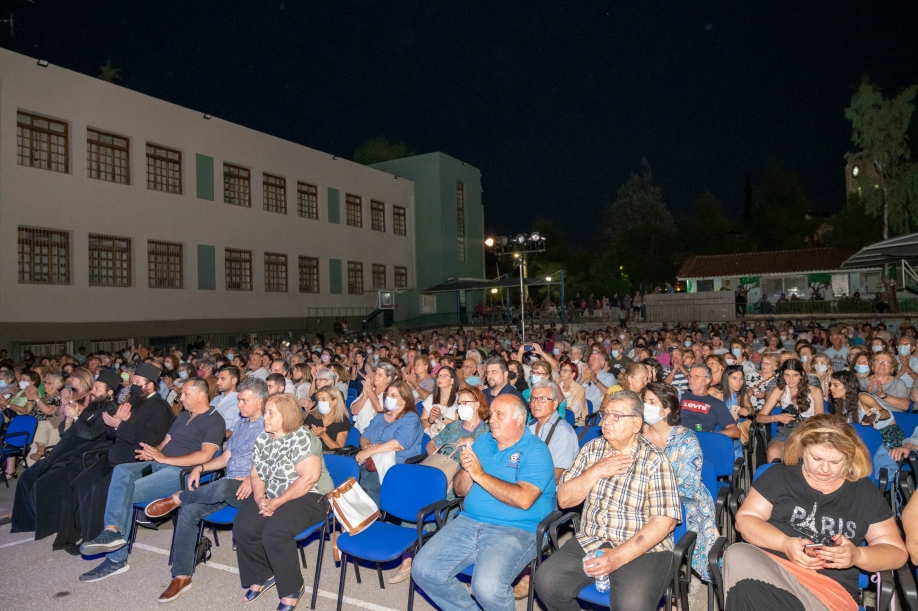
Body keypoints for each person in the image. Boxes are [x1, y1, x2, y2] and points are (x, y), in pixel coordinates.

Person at [724, 414, 907, 610]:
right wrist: (785, 544)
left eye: (835, 462)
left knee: (748, 593)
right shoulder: (779, 476)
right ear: (803, 449)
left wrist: (857, 556)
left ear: (849, 457)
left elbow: (896, 552)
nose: (825, 468)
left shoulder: (864, 493)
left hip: (826, 591)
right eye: (817, 458)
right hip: (774, 571)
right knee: (736, 554)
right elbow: (746, 519)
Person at [534, 390, 682, 611]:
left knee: (631, 605)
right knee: (546, 582)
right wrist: (595, 471)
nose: (607, 421)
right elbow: (564, 500)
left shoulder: (655, 459)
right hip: (592, 538)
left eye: (617, 416)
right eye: (606, 414)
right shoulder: (591, 450)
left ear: (636, 424)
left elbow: (664, 523)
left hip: (642, 547)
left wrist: (618, 557)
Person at [413, 395, 556, 611]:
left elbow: (524, 499)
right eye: (491, 414)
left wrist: (480, 474)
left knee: (487, 588)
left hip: (517, 529)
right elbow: (460, 490)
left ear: (519, 420)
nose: (491, 420)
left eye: (500, 415)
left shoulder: (536, 450)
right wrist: (467, 469)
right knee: (424, 569)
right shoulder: (482, 442)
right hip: (469, 521)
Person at [78, 377, 226, 582]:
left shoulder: (214, 420)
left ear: (201, 395)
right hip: (160, 464)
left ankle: (116, 559)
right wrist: (153, 453)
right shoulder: (183, 416)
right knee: (121, 470)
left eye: (185, 394)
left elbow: (204, 456)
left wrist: (165, 459)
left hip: (181, 472)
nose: (181, 398)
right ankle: (112, 532)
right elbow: (166, 441)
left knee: (127, 490)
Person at [143, 378, 267, 603]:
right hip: (229, 485)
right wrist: (200, 468)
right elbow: (226, 458)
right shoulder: (241, 425)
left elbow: (277, 462)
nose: (238, 405)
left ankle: (179, 497)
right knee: (189, 510)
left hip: (253, 489)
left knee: (220, 486)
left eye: (243, 401)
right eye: (238, 400)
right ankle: (182, 576)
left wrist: (254, 477)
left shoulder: (270, 425)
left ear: (260, 401)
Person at [52, 362, 174, 552]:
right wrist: (115, 424)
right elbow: (110, 433)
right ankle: (71, 535)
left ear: (150, 385)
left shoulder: (161, 408)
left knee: (98, 489)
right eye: (132, 382)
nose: (132, 386)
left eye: (137, 382)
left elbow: (150, 438)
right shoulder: (133, 402)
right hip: (114, 457)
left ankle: (95, 538)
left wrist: (121, 425)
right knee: (79, 482)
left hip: (135, 462)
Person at [233, 394, 333, 609]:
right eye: (265, 412)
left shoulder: (303, 438)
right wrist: (260, 498)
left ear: (286, 416)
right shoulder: (263, 438)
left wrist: (277, 502)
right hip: (274, 494)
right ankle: (263, 574)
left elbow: (309, 479)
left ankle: (292, 588)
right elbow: (256, 473)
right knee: (244, 526)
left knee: (275, 532)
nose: (265, 417)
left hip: (312, 496)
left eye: (271, 413)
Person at [10, 370, 120, 548]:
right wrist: (69, 419)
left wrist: (76, 416)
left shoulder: (111, 410)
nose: (93, 392)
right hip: (66, 451)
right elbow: (65, 431)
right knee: (27, 476)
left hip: (83, 456)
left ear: (109, 392)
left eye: (97, 389)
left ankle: (50, 524)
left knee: (44, 482)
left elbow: (91, 434)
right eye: (93, 388)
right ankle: (30, 521)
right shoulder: (92, 407)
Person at [355, 380, 423, 505]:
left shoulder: (411, 418)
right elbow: (364, 437)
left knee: (366, 486)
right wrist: (367, 446)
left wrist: (372, 450)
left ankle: (371, 515)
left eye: (393, 395)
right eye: (387, 394)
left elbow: (398, 444)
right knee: (349, 480)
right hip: (372, 460)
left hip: (396, 464)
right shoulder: (380, 416)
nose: (388, 398)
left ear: (404, 400)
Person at [758, 359, 825, 463]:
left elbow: (820, 421)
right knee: (773, 451)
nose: (791, 379)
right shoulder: (780, 390)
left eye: (795, 375)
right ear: (782, 374)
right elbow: (760, 417)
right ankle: (775, 473)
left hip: (808, 430)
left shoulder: (814, 391)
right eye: (787, 375)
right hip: (788, 429)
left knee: (803, 451)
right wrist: (777, 417)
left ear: (802, 374)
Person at [351, 362, 397, 434]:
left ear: (388, 379)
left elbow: (379, 409)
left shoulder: (390, 396)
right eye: (375, 373)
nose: (375, 377)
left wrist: (369, 391)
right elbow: (353, 411)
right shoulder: (369, 390)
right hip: (357, 432)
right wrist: (365, 396)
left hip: (372, 437)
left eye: (380, 375)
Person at [304, 386, 352, 451]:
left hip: (329, 455)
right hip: (310, 452)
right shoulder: (313, 415)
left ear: (334, 402)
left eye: (324, 399)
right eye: (319, 399)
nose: (320, 402)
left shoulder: (342, 421)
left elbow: (338, 447)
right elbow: (302, 436)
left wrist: (323, 435)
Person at [420, 365, 459, 436]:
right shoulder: (431, 398)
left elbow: (458, 427)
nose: (440, 378)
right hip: (429, 436)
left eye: (444, 376)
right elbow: (422, 425)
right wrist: (430, 419)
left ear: (452, 381)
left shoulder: (459, 400)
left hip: (448, 437)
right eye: (438, 376)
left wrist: (441, 417)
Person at [210, 365, 240, 437]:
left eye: (222, 379)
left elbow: (234, 431)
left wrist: (212, 438)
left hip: (222, 440)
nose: (218, 382)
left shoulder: (239, 401)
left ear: (234, 381)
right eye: (218, 379)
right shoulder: (216, 399)